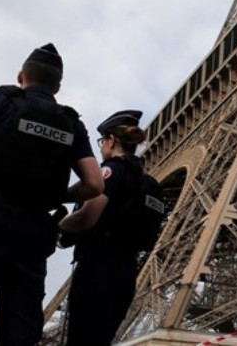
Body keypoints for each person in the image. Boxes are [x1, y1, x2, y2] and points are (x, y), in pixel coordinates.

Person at [0, 43, 104, 345]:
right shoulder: (71, 122)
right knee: (21, 327)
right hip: (34, 228)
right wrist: (55, 195)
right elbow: (94, 184)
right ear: (58, 86)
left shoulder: (1, 101)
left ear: (21, 76)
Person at [60, 110, 166, 346]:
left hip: (98, 267)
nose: (100, 148)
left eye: (102, 142)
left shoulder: (110, 172)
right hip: (126, 272)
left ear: (111, 140)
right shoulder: (150, 185)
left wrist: (58, 227)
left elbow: (87, 216)